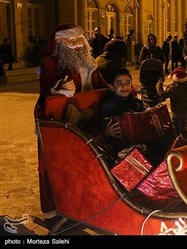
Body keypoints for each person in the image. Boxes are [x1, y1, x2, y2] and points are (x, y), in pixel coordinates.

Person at [34, 23, 109, 216]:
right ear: (59, 42)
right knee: (59, 160)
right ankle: (56, 205)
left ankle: (84, 201)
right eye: (70, 40)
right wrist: (59, 89)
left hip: (89, 114)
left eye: (79, 40)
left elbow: (101, 84)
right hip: (60, 116)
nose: (76, 45)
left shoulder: (90, 61)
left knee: (86, 159)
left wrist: (118, 90)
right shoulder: (50, 63)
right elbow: (46, 91)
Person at [99, 68, 145, 153]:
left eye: (128, 82)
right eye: (119, 83)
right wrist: (106, 133)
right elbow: (101, 129)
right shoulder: (108, 107)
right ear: (112, 87)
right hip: (119, 149)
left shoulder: (136, 103)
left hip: (139, 140)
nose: (125, 86)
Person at [157, 67, 187, 142]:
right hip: (186, 113)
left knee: (175, 132)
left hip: (177, 113)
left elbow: (162, 95)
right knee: (184, 129)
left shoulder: (173, 89)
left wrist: (159, 84)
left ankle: (176, 146)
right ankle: (186, 144)